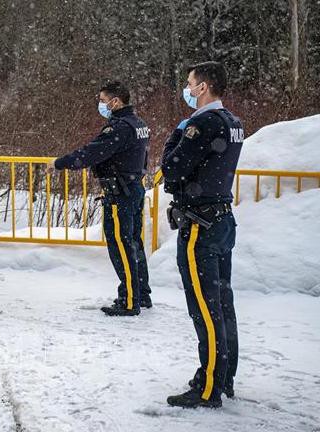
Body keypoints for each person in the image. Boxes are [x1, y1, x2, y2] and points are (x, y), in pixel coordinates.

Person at [162, 61, 244, 408]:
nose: (186, 88)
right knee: (222, 303)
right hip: (222, 220)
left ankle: (208, 386)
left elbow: (172, 167)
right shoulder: (232, 122)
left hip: (201, 225)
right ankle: (223, 377)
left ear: (204, 87)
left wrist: (177, 136)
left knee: (205, 308)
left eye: (190, 83)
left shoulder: (203, 122)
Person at [47, 81, 151, 316]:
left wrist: (60, 163)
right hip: (133, 188)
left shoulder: (120, 127)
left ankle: (129, 300)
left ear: (116, 101)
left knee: (122, 246)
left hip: (119, 193)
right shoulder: (138, 123)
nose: (101, 105)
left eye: (103, 101)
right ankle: (141, 293)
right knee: (134, 243)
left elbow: (91, 152)